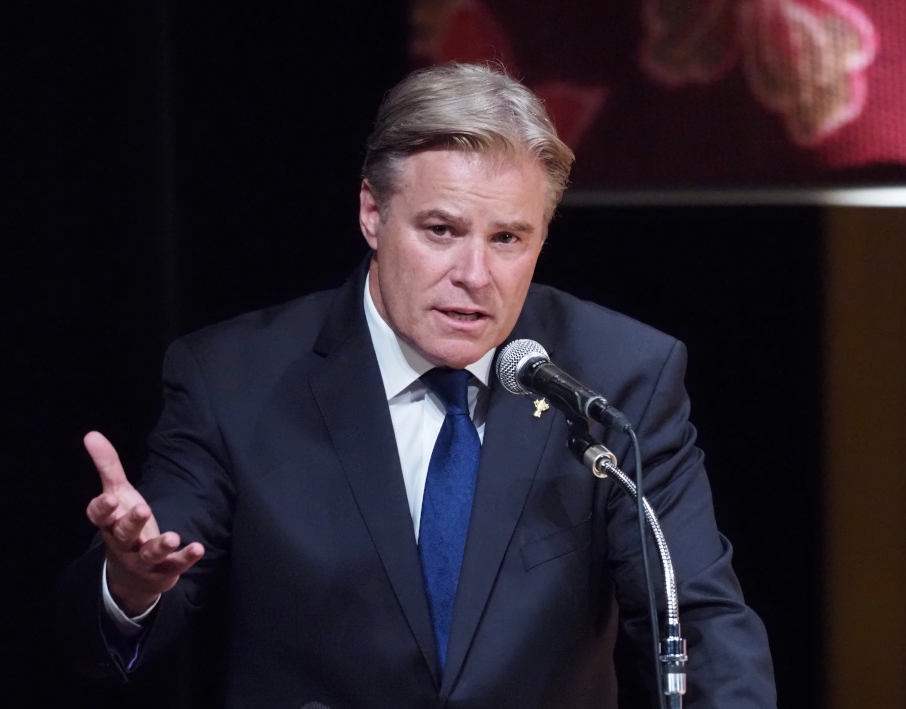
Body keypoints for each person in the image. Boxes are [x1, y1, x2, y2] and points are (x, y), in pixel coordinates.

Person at [58, 62, 776, 708]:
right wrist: (131, 586)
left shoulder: (617, 379)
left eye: (508, 238)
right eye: (440, 230)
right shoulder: (234, 379)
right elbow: (115, 622)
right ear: (373, 213)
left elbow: (701, 621)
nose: (475, 274)